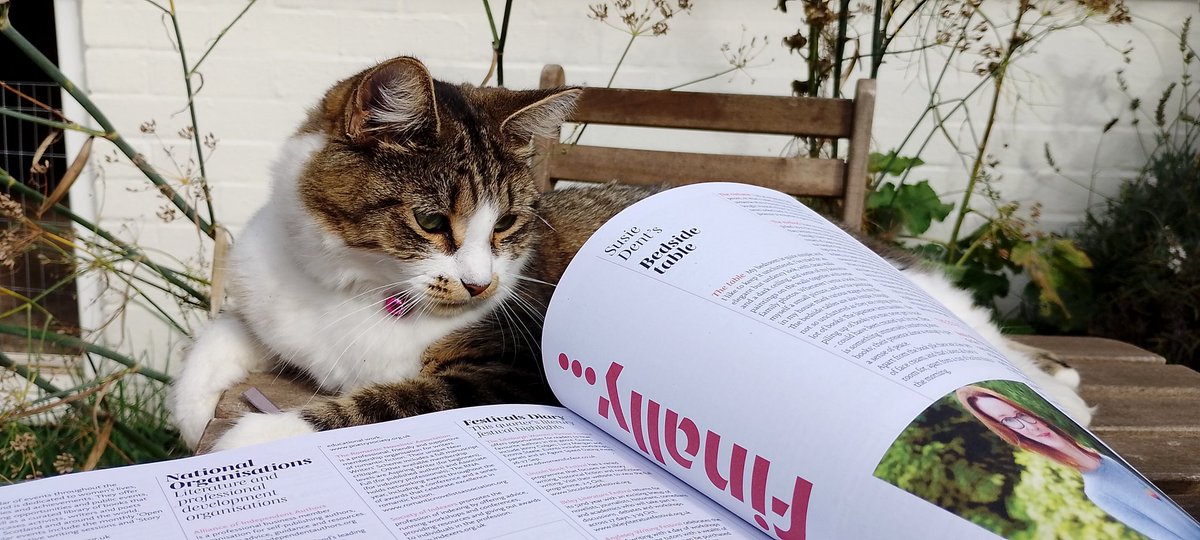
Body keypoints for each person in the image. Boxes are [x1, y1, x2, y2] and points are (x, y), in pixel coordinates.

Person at [955, 385, 1200, 540]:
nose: (1027, 425)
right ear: (1009, 432)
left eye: (1020, 414)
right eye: (1009, 421)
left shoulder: (1099, 454)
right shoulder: (1098, 490)